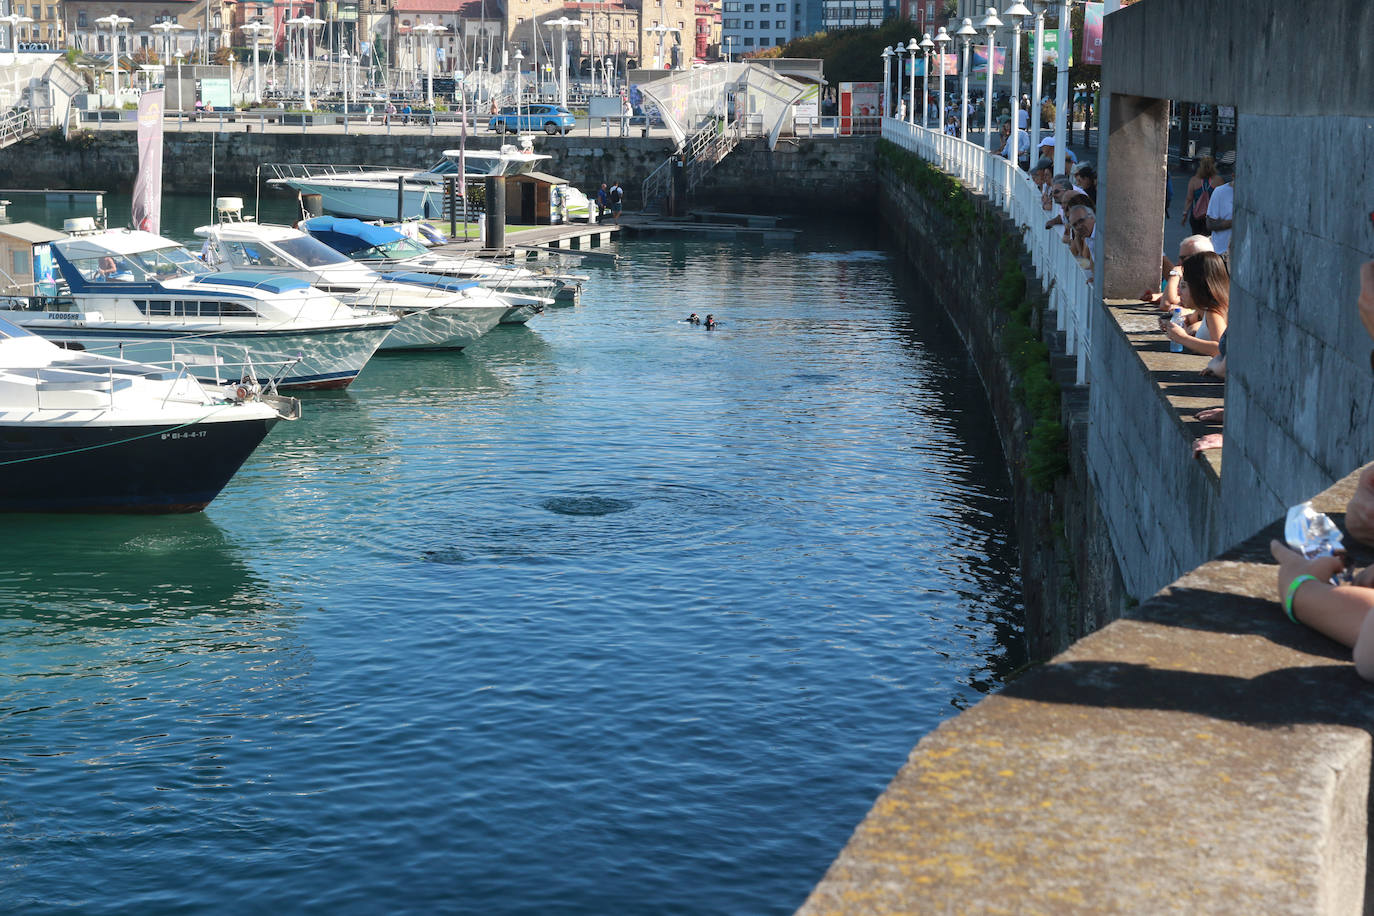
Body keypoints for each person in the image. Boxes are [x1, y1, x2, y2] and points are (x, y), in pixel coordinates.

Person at [1158, 250, 1228, 358]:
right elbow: (1190, 318)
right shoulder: (1205, 309)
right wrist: (1173, 321)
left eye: (1184, 286)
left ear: (1199, 286)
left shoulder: (1213, 313)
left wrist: (1182, 338)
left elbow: (1220, 349)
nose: (1179, 292)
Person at [1180, 154, 1221, 237]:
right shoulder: (1218, 180)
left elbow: (1189, 199)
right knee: (1209, 240)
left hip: (1196, 215)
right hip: (1212, 216)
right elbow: (1222, 200)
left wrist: (1185, 214)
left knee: (1197, 239)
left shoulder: (1194, 180)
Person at [1206, 165, 1235, 258]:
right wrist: (1235, 222)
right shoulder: (1220, 192)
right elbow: (1210, 224)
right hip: (1221, 253)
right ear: (1233, 176)